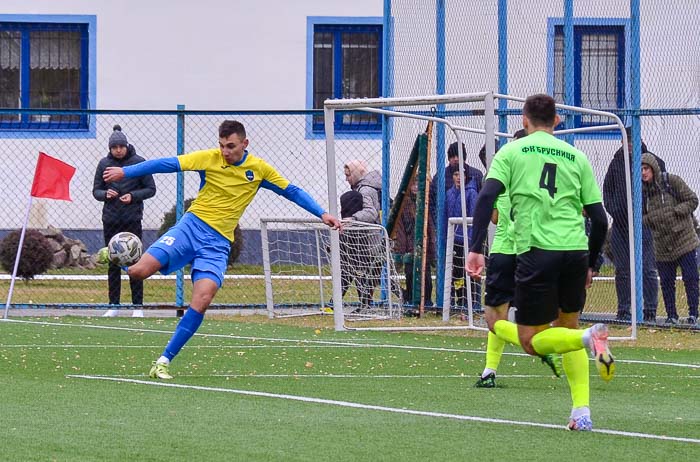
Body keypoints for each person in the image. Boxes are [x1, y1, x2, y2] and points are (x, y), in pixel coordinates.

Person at [103, 120, 341, 379]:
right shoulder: (210, 158)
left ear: (244, 144)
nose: (225, 151)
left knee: (203, 299)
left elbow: (291, 191)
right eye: (221, 145)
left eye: (231, 146)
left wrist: (322, 214)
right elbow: (168, 163)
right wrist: (126, 173)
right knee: (138, 272)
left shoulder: (258, 170)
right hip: (190, 229)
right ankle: (113, 256)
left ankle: (163, 361)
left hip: (216, 245)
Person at [466, 94, 612, 431]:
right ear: (557, 120)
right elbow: (600, 219)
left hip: (538, 252)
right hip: (575, 252)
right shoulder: (577, 157)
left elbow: (487, 196)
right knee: (567, 327)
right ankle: (581, 411)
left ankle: (590, 338)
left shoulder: (512, 151)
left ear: (523, 119)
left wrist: (475, 247)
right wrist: (592, 263)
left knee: (533, 341)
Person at [473, 129, 561, 388]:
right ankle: (543, 348)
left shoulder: (505, 172)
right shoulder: (541, 174)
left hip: (504, 251)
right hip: (536, 251)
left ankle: (496, 367)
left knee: (497, 318)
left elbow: (496, 217)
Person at [93, 125, 156, 318]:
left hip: (132, 220)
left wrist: (133, 196)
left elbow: (150, 189)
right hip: (111, 220)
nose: (118, 150)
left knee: (136, 262)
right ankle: (114, 305)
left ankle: (138, 306)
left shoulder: (139, 163)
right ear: (110, 148)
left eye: (121, 146)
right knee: (113, 262)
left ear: (126, 146)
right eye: (114, 147)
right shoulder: (104, 164)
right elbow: (96, 191)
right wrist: (106, 194)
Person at [603, 128, 665, 322]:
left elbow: (661, 190)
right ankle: (624, 310)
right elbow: (608, 192)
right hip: (621, 226)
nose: (628, 145)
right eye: (625, 141)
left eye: (631, 141)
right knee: (622, 269)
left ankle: (650, 310)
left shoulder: (654, 162)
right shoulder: (615, 164)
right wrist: (616, 211)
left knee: (647, 269)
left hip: (646, 225)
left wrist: (649, 213)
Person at [642, 154, 699, 326]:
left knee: (691, 278)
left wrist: (678, 211)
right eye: (641, 170)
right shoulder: (642, 192)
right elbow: (641, 216)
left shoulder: (671, 182)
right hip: (661, 243)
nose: (643, 173)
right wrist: (650, 220)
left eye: (646, 169)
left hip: (684, 239)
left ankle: (693, 314)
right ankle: (671, 315)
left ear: (653, 168)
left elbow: (692, 200)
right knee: (667, 282)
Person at [394, 178, 436, 307]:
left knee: (426, 277)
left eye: (419, 183)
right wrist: (402, 250)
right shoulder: (403, 204)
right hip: (409, 247)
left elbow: (430, 228)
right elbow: (400, 230)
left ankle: (427, 301)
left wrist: (431, 248)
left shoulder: (426, 202)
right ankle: (410, 300)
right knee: (410, 275)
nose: (416, 187)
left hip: (424, 246)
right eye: (413, 183)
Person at [444, 168, 479, 310]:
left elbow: (473, 218)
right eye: (456, 174)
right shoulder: (449, 193)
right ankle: (459, 300)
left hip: (468, 241)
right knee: (456, 273)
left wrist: (471, 240)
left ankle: (472, 302)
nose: (458, 177)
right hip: (454, 241)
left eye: (461, 174)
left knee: (469, 272)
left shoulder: (471, 193)